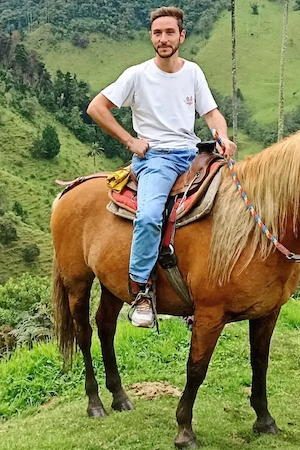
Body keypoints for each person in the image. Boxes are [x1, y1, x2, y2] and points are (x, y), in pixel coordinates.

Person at [87, 6, 236, 328]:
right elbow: (97, 107)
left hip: (196, 154)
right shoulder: (137, 75)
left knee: (231, 206)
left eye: (170, 32)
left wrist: (222, 136)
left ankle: (206, 289)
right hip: (156, 159)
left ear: (182, 36)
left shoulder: (193, 72)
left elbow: (211, 114)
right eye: (158, 33)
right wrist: (130, 141)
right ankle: (141, 290)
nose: (164, 38)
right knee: (150, 216)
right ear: (151, 37)